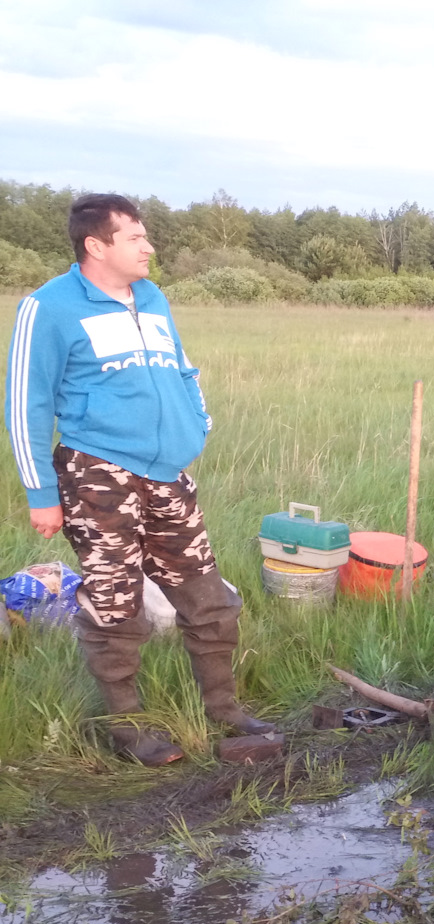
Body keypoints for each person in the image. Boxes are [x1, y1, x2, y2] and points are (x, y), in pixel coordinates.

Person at [5, 193, 276, 764]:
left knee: (208, 597)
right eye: (134, 236)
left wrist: (195, 425)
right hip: (97, 475)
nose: (148, 246)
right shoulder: (49, 307)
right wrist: (41, 494)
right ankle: (128, 731)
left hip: (167, 477)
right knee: (114, 607)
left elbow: (181, 367)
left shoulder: (152, 298)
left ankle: (223, 708)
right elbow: (26, 403)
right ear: (96, 245)